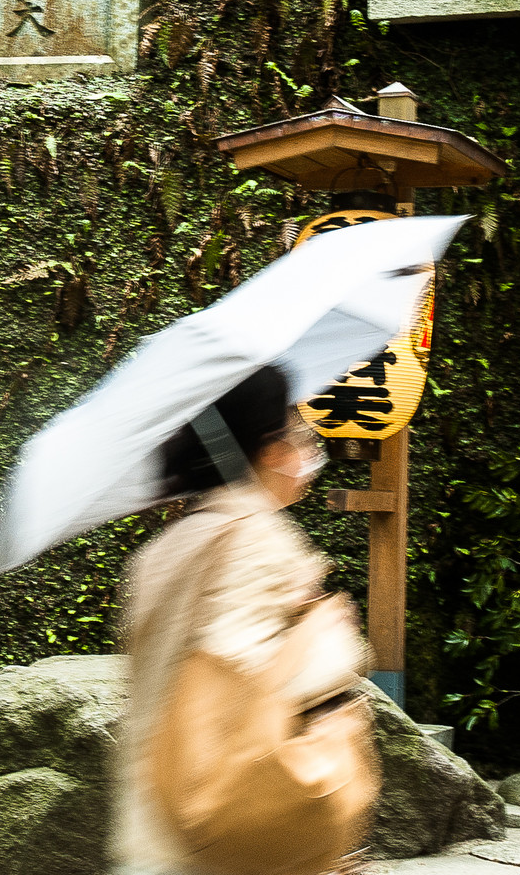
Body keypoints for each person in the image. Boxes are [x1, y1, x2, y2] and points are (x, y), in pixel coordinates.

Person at [112, 364, 374, 875]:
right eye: (296, 431)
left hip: (149, 818)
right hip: (240, 828)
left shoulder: (158, 553)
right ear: (267, 447)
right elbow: (247, 677)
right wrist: (324, 627)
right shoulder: (260, 539)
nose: (305, 449)